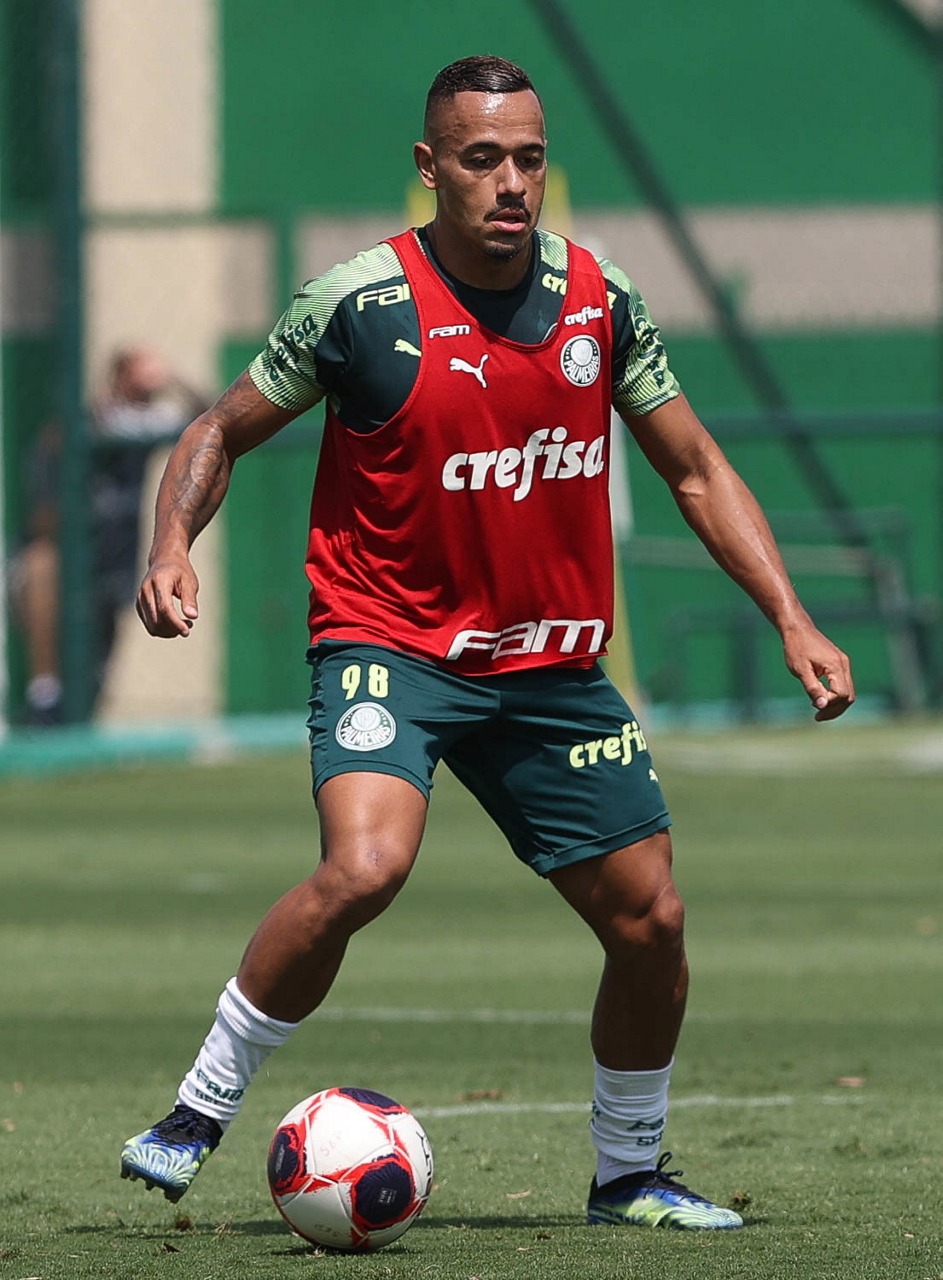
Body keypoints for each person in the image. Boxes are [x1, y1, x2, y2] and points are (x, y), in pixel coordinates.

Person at [120, 56, 854, 1230]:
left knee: (651, 919)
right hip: (389, 643)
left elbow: (694, 467)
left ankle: (628, 1174)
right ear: (430, 167)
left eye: (528, 158)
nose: (510, 182)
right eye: (481, 159)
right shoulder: (359, 306)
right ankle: (197, 1108)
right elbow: (217, 429)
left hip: (548, 665)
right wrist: (171, 544)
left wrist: (790, 614)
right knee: (366, 867)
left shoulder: (599, 299)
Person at [13, 347, 204, 723]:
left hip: (116, 555)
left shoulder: (147, 420)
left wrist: (172, 378)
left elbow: (208, 418)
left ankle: (77, 717)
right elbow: (43, 512)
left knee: (96, 674)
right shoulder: (91, 419)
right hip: (71, 554)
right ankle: (44, 693)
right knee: (40, 568)